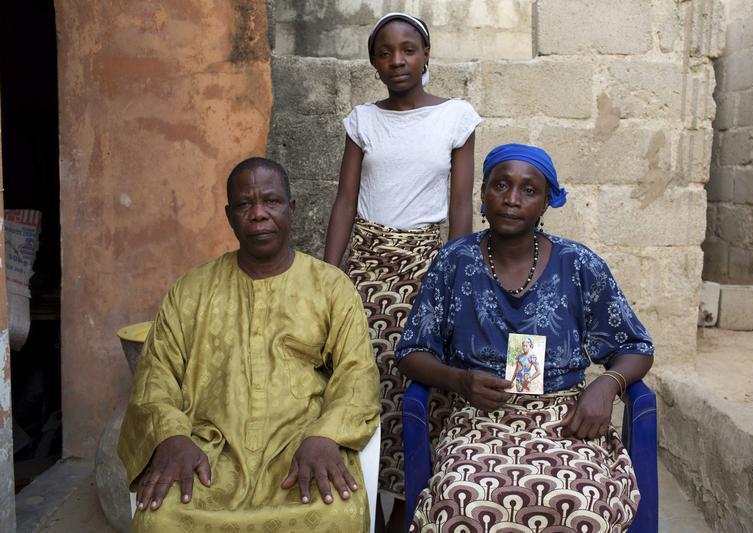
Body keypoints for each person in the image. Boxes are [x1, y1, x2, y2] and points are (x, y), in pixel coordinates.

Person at [396, 144, 655, 531]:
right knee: (462, 498)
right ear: (483, 193)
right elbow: (411, 351)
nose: (512, 200)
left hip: (565, 418)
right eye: (501, 185)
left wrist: (607, 384)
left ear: (547, 201)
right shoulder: (454, 261)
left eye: (529, 190)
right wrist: (459, 380)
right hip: (477, 419)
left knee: (584, 498)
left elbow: (636, 347)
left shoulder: (579, 264)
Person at [118, 157, 381, 532]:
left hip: (298, 450)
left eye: (271, 202)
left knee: (337, 514)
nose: (258, 214)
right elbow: (154, 376)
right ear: (229, 215)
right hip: (209, 454)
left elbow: (358, 374)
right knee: (160, 519)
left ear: (291, 209)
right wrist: (171, 436)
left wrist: (326, 435)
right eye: (245, 204)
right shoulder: (190, 291)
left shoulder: (331, 287)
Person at [323, 11, 481, 532]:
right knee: (359, 378)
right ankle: (364, 498)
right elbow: (346, 200)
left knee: (413, 377)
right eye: (385, 52)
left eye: (408, 49)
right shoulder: (363, 121)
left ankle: (406, 499)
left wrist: (453, 278)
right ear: (373, 63)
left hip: (423, 264)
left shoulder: (456, 117)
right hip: (366, 267)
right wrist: (326, 277)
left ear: (426, 54)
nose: (397, 60)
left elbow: (461, 207)